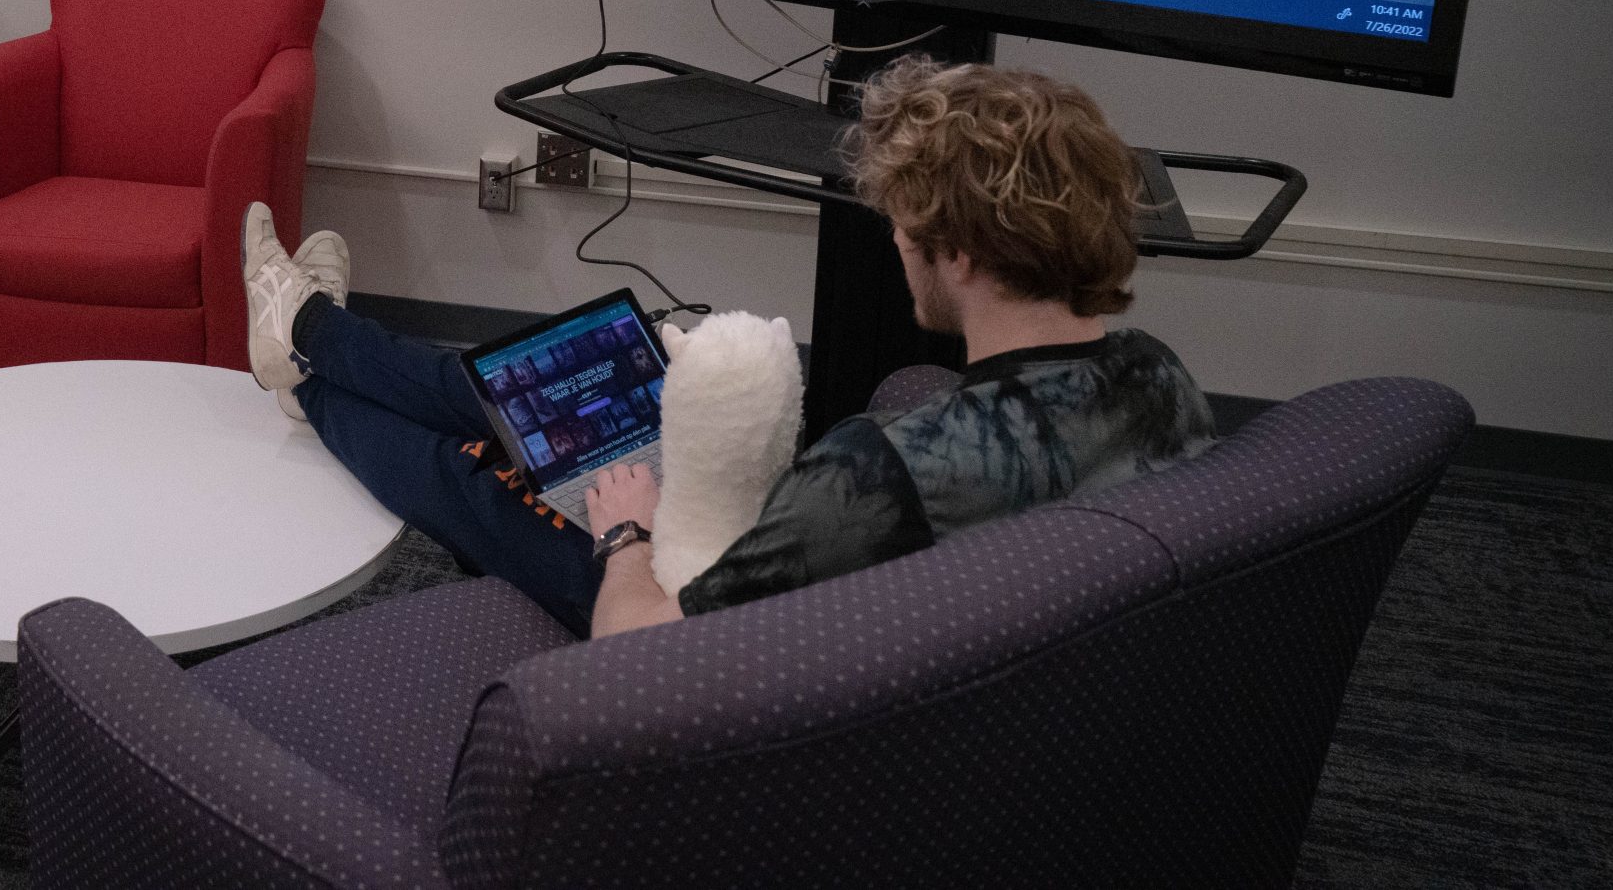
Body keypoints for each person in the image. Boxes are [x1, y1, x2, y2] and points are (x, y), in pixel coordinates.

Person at [240, 57, 1214, 639]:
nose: (895, 240)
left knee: (486, 463)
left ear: (955, 251)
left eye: (903, 223)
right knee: (526, 398)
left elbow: (647, 646)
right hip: (890, 631)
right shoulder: (1162, 381)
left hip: (704, 637)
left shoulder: (877, 471)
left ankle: (306, 361)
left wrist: (624, 531)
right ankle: (307, 338)